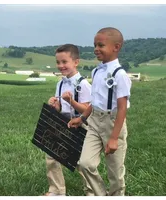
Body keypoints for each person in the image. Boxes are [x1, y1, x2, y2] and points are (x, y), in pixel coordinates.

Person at [68, 27, 132, 196]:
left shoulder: (120, 75)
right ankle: (100, 194)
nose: (96, 48)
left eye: (101, 45)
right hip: (94, 121)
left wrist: (113, 137)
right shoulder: (96, 71)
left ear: (116, 47)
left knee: (115, 172)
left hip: (113, 123)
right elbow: (95, 101)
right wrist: (82, 118)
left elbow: (122, 108)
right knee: (85, 163)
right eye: (95, 45)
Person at [44, 44, 93, 196]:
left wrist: (71, 101)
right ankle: (57, 190)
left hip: (80, 124)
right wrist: (56, 106)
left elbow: (87, 110)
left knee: (79, 160)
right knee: (51, 155)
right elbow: (61, 109)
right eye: (58, 62)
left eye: (64, 62)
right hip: (62, 122)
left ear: (76, 62)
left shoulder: (83, 85)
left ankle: (93, 190)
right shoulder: (60, 83)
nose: (61, 66)